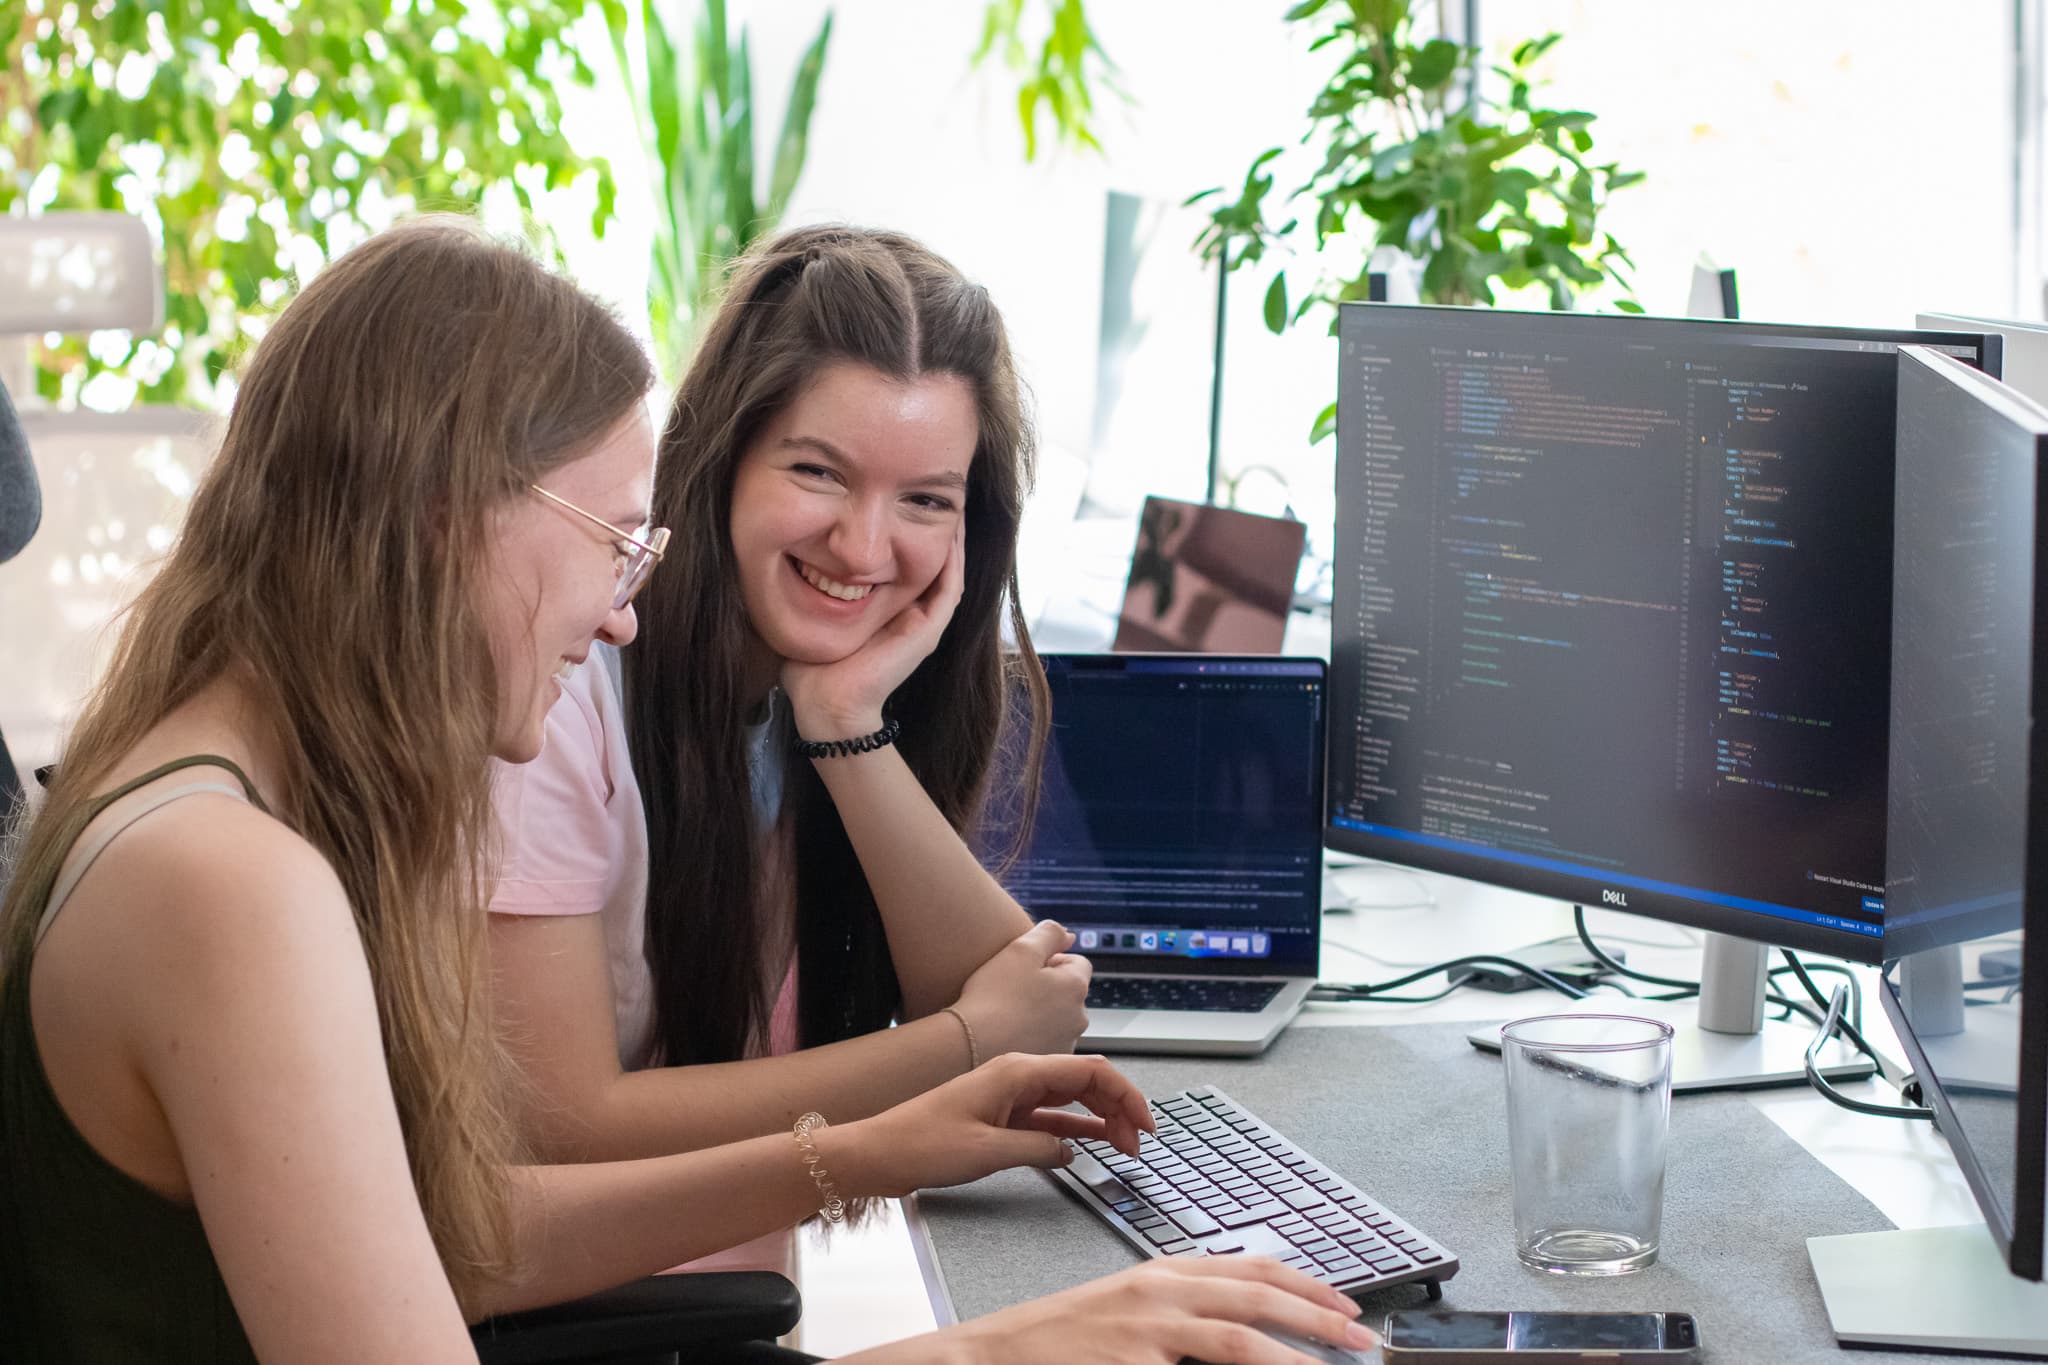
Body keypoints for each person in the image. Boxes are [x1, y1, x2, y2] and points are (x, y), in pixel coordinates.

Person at [0, 217, 1375, 1364]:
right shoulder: (228, 883)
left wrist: (872, 1150)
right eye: (612, 541)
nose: (623, 615)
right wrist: (977, 1348)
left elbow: (463, 1239)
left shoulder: (222, 800)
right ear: (442, 512)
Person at [487, 227, 1088, 1187]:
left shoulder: (813, 697)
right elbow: (560, 1123)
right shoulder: (561, 692)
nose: (862, 547)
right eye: (818, 472)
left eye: (926, 501)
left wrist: (849, 723)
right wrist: (967, 1043)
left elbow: (1021, 1002)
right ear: (721, 461)